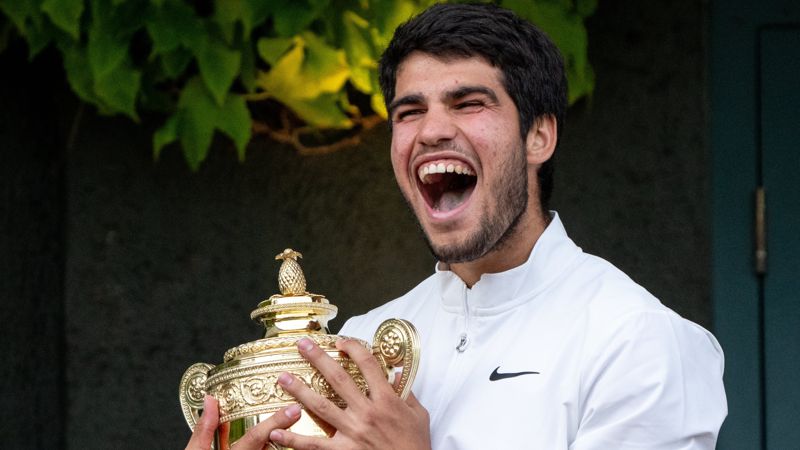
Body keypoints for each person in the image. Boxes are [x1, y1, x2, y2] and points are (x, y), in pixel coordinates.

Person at [185, 3, 727, 449]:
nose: (431, 131)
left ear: (539, 136)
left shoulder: (639, 340)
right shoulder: (362, 339)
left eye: (468, 103)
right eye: (409, 112)